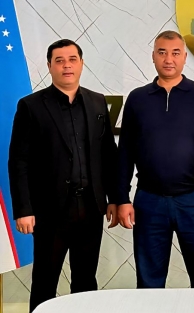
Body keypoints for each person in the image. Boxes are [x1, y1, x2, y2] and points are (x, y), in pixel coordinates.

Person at [8, 39, 118, 312]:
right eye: (59, 60)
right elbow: (18, 161)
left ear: (81, 63)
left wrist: (116, 198)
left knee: (85, 281)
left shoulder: (97, 102)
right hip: (50, 212)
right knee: (45, 282)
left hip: (91, 208)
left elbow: (108, 155)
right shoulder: (31, 106)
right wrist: (23, 209)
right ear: (49, 66)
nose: (66, 65)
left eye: (72, 59)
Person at [117, 30, 194, 289]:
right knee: (149, 283)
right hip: (149, 202)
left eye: (176, 53)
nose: (169, 59)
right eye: (162, 52)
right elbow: (125, 152)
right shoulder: (137, 99)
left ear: (185, 57)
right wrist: (121, 198)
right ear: (153, 56)